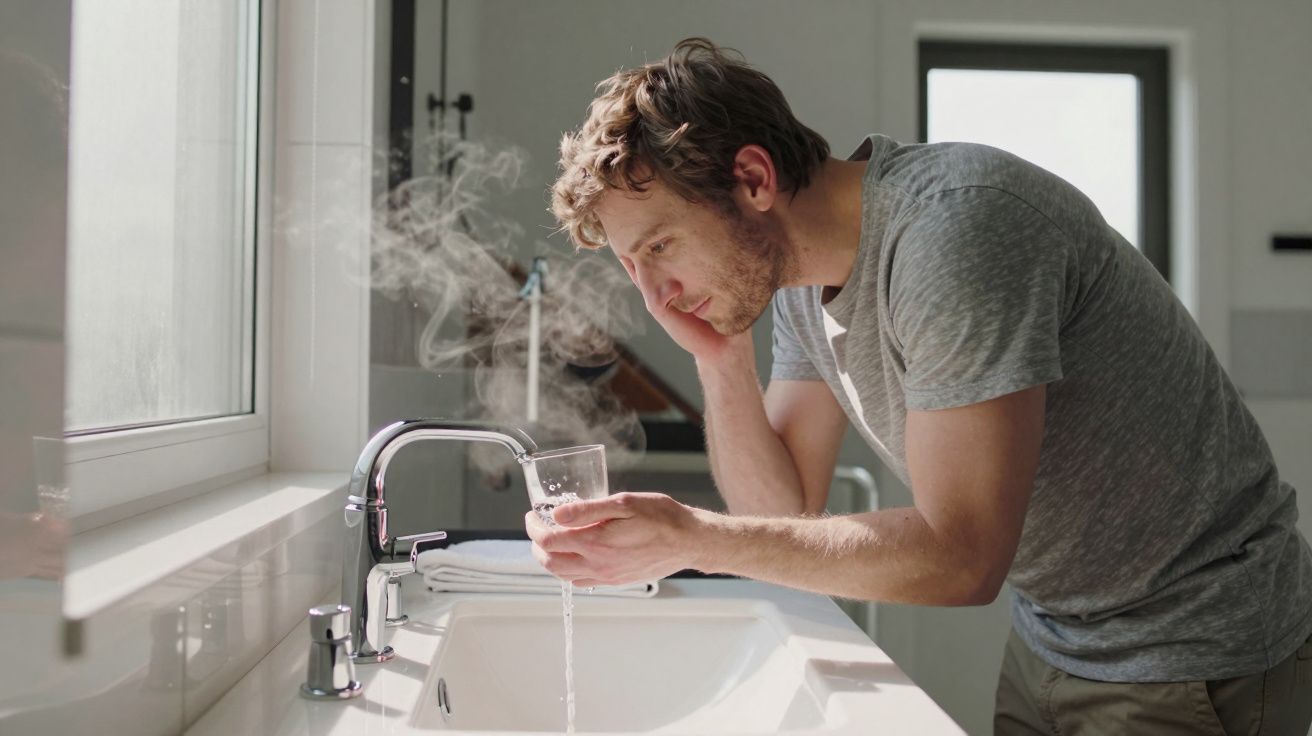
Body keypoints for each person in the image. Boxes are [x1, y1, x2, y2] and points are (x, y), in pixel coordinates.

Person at [527, 37, 1312, 734]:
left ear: (754, 179)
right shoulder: (799, 280)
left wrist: (691, 539)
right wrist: (719, 359)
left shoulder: (954, 234)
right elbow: (781, 520)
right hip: (1057, 635)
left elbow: (961, 559)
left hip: (1198, 646)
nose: (655, 295)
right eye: (634, 267)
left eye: (661, 245)